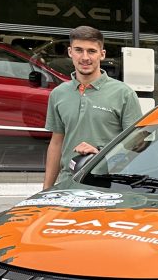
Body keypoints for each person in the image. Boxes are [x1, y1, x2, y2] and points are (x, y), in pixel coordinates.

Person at [42, 25, 142, 190]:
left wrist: (101, 152)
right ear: (70, 52)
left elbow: (138, 145)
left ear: (102, 54)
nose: (85, 57)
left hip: (110, 182)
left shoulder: (124, 93)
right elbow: (56, 144)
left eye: (91, 51)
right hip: (69, 182)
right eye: (79, 50)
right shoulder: (58, 94)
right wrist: (46, 189)